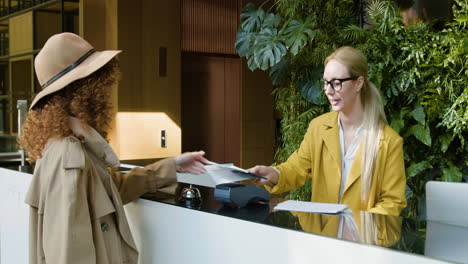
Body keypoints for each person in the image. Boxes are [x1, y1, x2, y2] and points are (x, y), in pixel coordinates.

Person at [20, 33, 208, 264]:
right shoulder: (69, 156)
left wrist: (172, 166)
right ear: (86, 90)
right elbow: (68, 251)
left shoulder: (67, 144)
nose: (108, 92)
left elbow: (109, 192)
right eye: (102, 82)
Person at [249, 46, 407, 216]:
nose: (328, 91)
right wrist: (272, 173)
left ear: (358, 83)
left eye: (336, 83)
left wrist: (358, 229)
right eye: (325, 82)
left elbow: (392, 202)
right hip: (322, 235)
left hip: (361, 240)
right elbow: (296, 168)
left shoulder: (389, 141)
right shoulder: (318, 127)